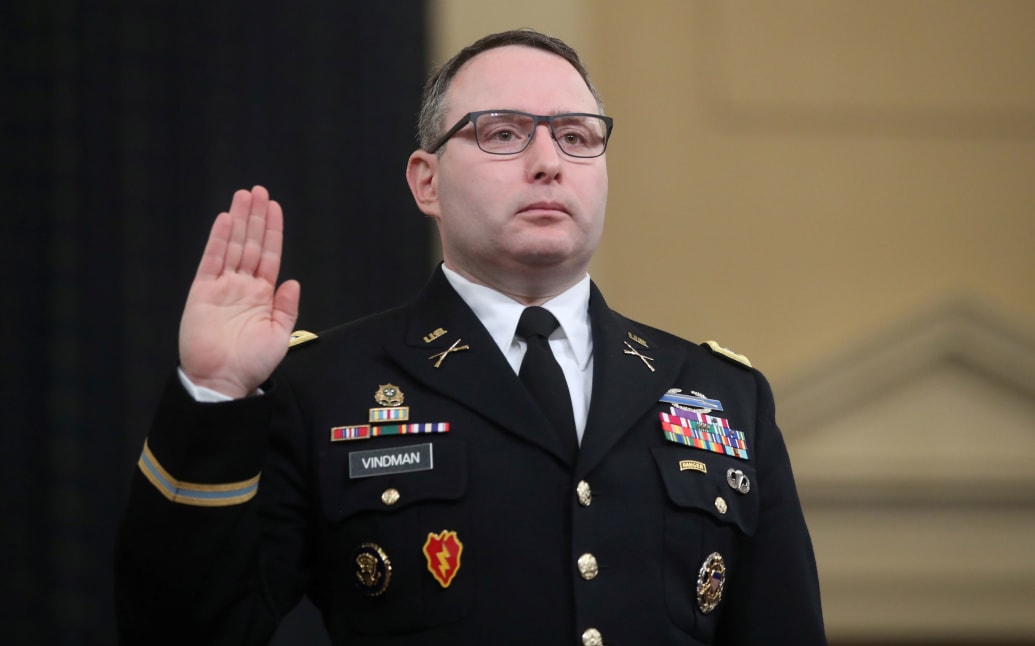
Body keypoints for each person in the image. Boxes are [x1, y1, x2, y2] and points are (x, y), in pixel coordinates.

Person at [116, 28, 826, 645]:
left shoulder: (720, 396)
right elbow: (182, 632)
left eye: (575, 136)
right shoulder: (328, 386)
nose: (548, 160)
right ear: (425, 183)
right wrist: (213, 395)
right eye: (503, 133)